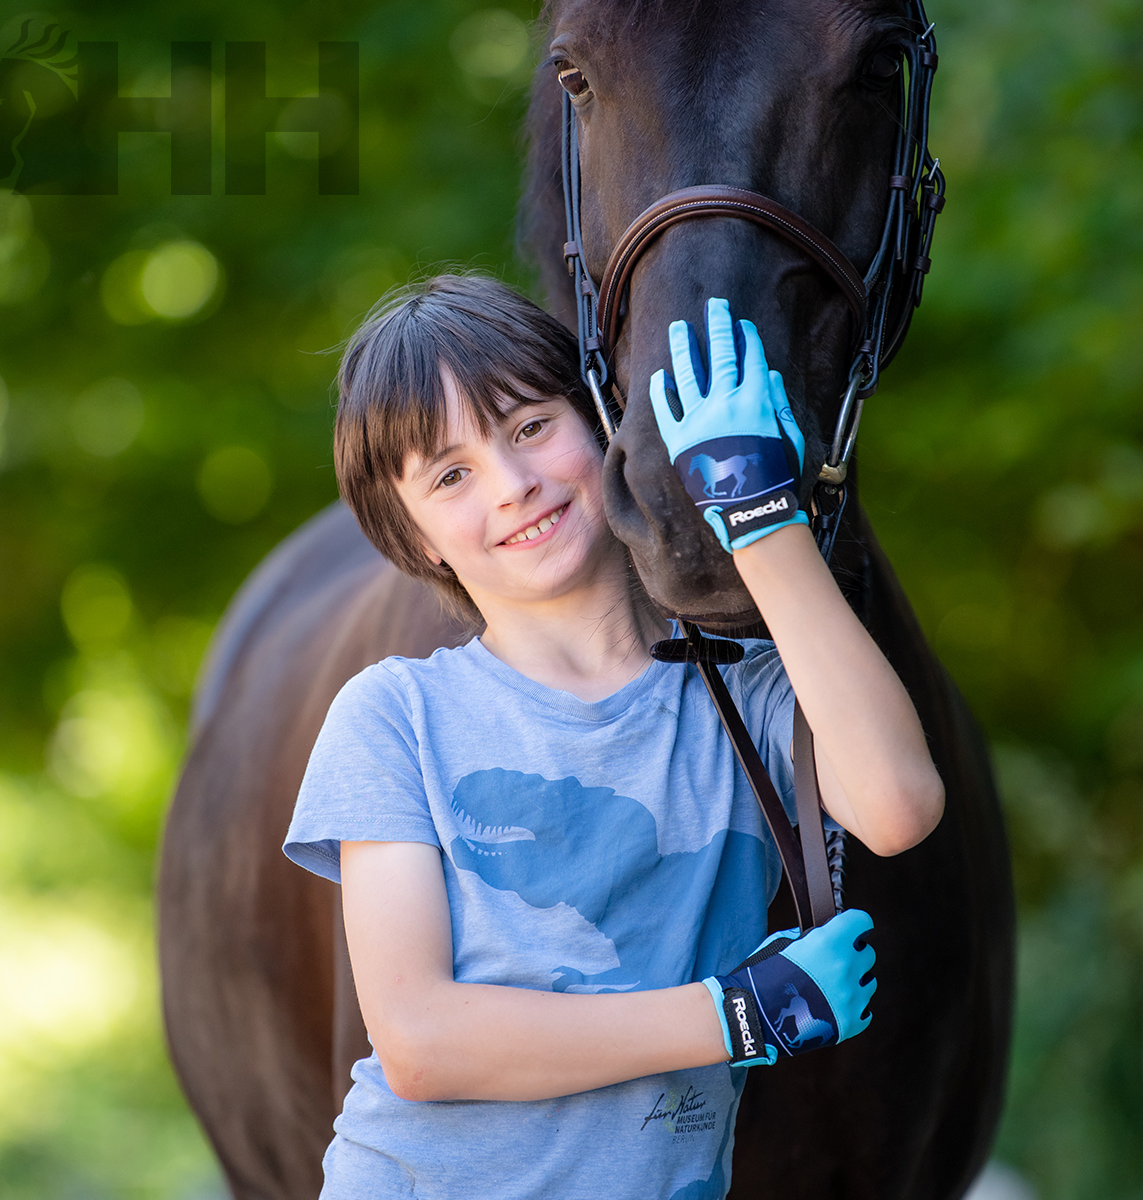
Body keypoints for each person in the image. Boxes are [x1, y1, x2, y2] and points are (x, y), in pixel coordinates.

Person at [282, 274, 944, 1199]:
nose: (513, 487)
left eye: (530, 427)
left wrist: (759, 516)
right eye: (451, 475)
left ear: (600, 422)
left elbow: (898, 805)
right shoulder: (394, 716)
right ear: (415, 534)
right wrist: (732, 1019)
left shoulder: (744, 698)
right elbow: (422, 1042)